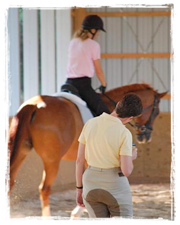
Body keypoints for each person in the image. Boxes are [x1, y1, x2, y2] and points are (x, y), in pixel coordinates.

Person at [76, 93, 143, 221]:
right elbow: (126, 170)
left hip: (90, 184)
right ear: (130, 118)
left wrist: (79, 189)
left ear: (118, 104)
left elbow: (79, 161)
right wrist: (131, 157)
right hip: (115, 186)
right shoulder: (124, 133)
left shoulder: (90, 123)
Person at [65, 15, 110, 116]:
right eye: (98, 32)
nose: (98, 34)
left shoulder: (72, 42)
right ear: (93, 30)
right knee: (105, 113)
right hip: (83, 86)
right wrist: (103, 84)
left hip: (68, 84)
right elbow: (98, 70)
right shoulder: (93, 45)